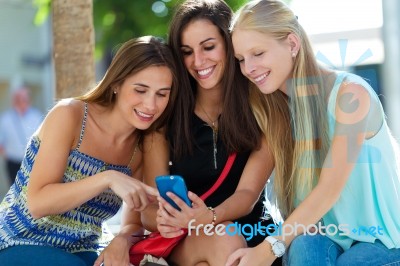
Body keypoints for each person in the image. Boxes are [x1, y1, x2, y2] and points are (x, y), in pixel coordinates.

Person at [226, 0, 400, 265]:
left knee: (350, 261)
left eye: (258, 53)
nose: (248, 68)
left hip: (384, 242)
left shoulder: (350, 94)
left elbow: (329, 189)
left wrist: (267, 248)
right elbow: (248, 190)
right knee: (304, 246)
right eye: (241, 59)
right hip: (328, 237)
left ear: (293, 44)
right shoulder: (275, 111)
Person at [0, 36, 179, 266]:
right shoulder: (70, 115)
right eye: (140, 90)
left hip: (84, 249)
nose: (151, 105)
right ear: (116, 83)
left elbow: (136, 222)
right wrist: (108, 178)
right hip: (19, 239)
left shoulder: (145, 143)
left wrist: (122, 240)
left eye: (162, 94)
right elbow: (37, 203)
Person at [139, 0, 279, 265]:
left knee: (226, 244)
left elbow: (247, 195)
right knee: (225, 239)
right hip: (190, 239)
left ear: (229, 43)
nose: (198, 61)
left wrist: (209, 216)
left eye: (209, 47)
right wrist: (163, 218)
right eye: (187, 51)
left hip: (252, 233)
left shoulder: (262, 107)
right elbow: (148, 210)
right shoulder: (165, 117)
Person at [0, 86, 43, 185]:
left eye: (24, 98)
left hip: (32, 161)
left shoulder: (36, 116)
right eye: (18, 98)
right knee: (15, 191)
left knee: (31, 190)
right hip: (13, 161)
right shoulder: (5, 118)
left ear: (29, 99)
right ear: (14, 100)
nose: (22, 101)